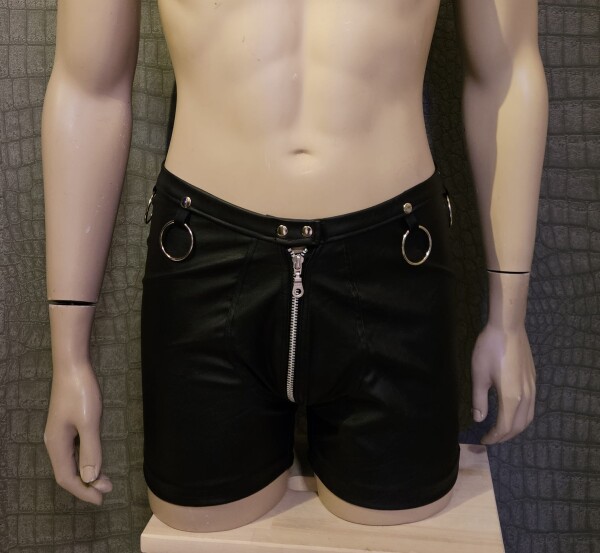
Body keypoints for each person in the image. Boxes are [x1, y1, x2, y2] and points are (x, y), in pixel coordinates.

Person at [42, 0, 548, 532]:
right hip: (203, 259)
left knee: (399, 527)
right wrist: (69, 356)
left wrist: (509, 319)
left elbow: (508, 71)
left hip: (396, 262)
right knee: (204, 531)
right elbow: (87, 89)